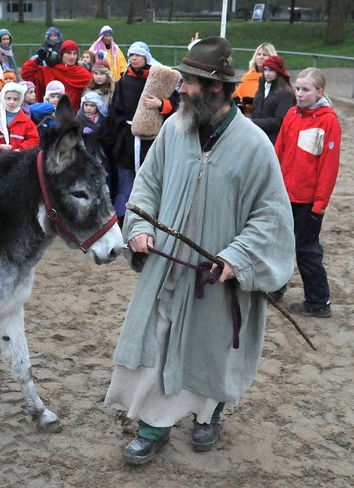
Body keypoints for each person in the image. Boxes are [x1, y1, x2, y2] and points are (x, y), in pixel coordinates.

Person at [104, 36, 295, 465]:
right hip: (168, 270)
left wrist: (237, 257)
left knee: (212, 353)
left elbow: (271, 217)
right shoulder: (174, 129)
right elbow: (146, 187)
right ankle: (153, 427)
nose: (181, 90)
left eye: (189, 82)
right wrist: (137, 226)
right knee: (158, 341)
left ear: (215, 87)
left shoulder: (254, 146)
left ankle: (210, 416)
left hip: (218, 279)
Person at [273, 68, 341, 318]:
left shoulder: (328, 120)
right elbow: (278, 150)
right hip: (285, 195)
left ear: (319, 92)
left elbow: (329, 166)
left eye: (305, 90)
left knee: (307, 250)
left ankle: (319, 302)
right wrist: (274, 185)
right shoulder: (292, 114)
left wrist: (320, 204)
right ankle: (277, 286)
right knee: (279, 244)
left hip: (308, 201)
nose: (299, 94)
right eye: (297, 89)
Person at [101, 42, 179, 223]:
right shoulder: (122, 83)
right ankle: (123, 216)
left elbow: (176, 103)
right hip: (126, 140)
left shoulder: (157, 81)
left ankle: (151, 215)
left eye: (137, 55)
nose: (133, 58)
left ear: (146, 57)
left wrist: (161, 105)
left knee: (151, 176)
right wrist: (122, 131)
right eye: (131, 55)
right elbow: (115, 111)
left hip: (151, 139)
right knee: (125, 179)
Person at [21, 39, 92, 113]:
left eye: (75, 53)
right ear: (61, 54)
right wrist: (38, 59)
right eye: (68, 53)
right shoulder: (49, 71)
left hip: (71, 117)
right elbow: (26, 74)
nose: (72, 57)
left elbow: (99, 83)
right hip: (48, 115)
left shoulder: (82, 73)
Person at [248, 55, 295, 144]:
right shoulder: (262, 87)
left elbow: (279, 122)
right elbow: (253, 110)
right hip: (256, 136)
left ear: (278, 71)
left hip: (273, 140)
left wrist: (253, 123)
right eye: (265, 70)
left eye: (271, 70)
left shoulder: (286, 93)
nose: (267, 73)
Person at [0, 82, 40, 153]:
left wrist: (20, 149)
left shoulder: (25, 120)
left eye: (15, 99)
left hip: (19, 158)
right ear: (3, 98)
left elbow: (33, 139)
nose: (11, 102)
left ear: (20, 100)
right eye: (8, 98)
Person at [233, 42, 277, 115]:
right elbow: (237, 97)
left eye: (265, 55)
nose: (261, 57)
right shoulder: (247, 78)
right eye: (258, 54)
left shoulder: (276, 80)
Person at [76, 91, 108, 169]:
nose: (88, 108)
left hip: (98, 150)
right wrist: (81, 131)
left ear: (97, 106)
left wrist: (98, 132)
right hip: (84, 150)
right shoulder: (79, 118)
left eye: (92, 105)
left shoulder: (101, 119)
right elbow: (73, 132)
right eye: (86, 105)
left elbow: (106, 132)